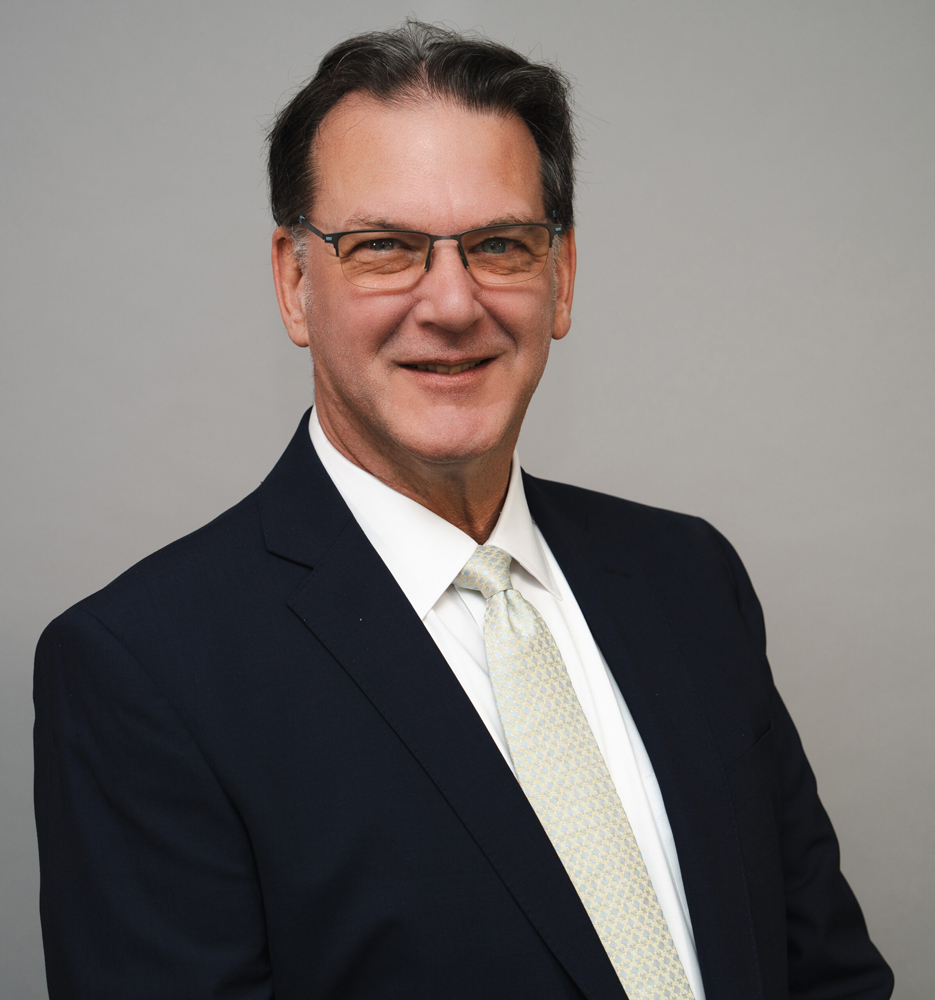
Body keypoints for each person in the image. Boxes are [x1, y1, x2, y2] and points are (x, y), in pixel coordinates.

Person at [34, 20, 894, 1000]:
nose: (450, 303)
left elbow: (826, 976)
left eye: (498, 244)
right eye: (384, 247)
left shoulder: (687, 578)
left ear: (559, 276)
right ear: (293, 281)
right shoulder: (144, 672)